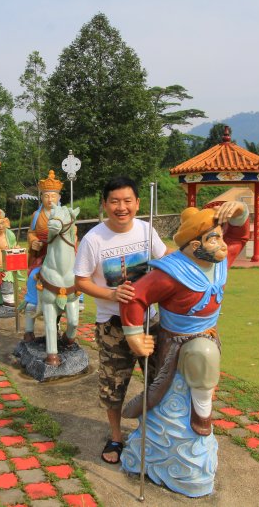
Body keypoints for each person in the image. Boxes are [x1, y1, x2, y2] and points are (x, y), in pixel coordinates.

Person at [118, 201, 249, 497]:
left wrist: (239, 212)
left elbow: (240, 237)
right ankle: (199, 415)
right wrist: (134, 334)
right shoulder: (171, 273)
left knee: (205, 358)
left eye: (219, 235)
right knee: (201, 355)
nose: (222, 243)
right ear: (193, 244)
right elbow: (135, 297)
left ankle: (200, 415)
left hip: (207, 336)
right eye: (213, 237)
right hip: (175, 344)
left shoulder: (219, 261)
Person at [73, 176, 167, 464]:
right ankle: (115, 437)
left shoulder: (146, 230)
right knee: (114, 385)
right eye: (114, 201)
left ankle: (158, 433)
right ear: (104, 205)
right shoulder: (93, 239)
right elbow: (81, 282)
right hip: (112, 325)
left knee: (159, 378)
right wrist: (112, 294)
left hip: (150, 322)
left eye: (127, 201)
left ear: (138, 203)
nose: (121, 207)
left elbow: (165, 264)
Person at [27, 170, 64, 271]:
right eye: (47, 196)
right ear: (42, 197)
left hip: (60, 251)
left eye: (53, 196)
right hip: (42, 251)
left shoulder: (65, 214)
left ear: (59, 197)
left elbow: (73, 231)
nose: (50, 200)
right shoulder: (36, 215)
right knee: (34, 274)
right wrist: (34, 241)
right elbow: (31, 232)